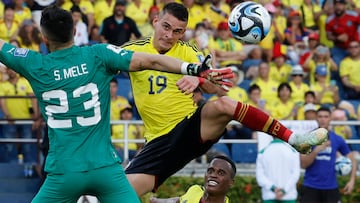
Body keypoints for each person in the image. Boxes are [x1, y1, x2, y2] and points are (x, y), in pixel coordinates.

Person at [0, 5, 229, 202]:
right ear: (74, 31)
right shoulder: (97, 54)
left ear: (44, 38)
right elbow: (149, 59)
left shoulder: (33, 63)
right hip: (105, 170)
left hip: (63, 172)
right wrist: (194, 68)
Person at [122, 2, 329, 196]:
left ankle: (295, 140)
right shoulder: (131, 50)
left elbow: (215, 87)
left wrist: (200, 79)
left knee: (223, 105)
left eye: (177, 31)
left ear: (183, 32)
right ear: (155, 21)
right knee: (118, 195)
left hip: (191, 125)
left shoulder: (190, 51)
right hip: (158, 142)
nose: (169, 35)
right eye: (166, 27)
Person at [299, 107, 357, 203]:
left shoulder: (337, 139)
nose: (323, 119)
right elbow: (303, 164)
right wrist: (316, 150)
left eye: (326, 116)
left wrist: (352, 180)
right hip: (311, 187)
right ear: (316, 119)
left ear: (330, 118)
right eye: (320, 116)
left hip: (331, 188)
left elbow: (352, 158)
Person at [149, 155, 236, 203]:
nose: (213, 175)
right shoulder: (195, 190)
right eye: (210, 171)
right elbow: (178, 200)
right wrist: (155, 200)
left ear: (231, 182)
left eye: (221, 173)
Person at [256, 138, 300, 203]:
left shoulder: (262, 152)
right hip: (288, 197)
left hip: (270, 196)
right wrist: (283, 191)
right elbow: (295, 175)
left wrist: (273, 189)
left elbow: (260, 177)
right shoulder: (293, 151)